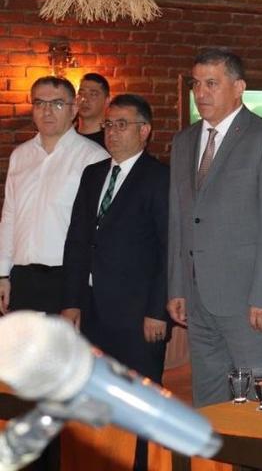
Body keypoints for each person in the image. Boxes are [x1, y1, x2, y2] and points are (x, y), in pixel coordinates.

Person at [167, 48, 262, 407]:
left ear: (239, 87)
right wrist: (177, 286)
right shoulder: (184, 142)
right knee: (210, 401)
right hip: (197, 298)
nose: (201, 92)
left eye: (212, 83)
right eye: (196, 84)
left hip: (249, 302)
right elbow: (179, 219)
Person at [62, 94, 168, 471]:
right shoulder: (93, 175)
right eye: (109, 124)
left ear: (145, 131)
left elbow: (168, 249)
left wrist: (158, 310)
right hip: (93, 310)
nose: (113, 132)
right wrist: (71, 302)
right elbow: (77, 240)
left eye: (122, 124)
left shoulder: (159, 178)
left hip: (138, 315)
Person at [0, 76, 109, 315]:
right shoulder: (20, 155)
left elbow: (100, 229)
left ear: (74, 109)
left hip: (68, 279)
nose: (47, 111)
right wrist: (2, 274)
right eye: (40, 103)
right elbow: (9, 217)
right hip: (22, 277)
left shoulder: (94, 157)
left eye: (57, 103)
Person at [77, 72, 110, 148]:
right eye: (81, 93)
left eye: (93, 94)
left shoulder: (110, 140)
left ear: (107, 101)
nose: (84, 99)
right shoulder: (66, 136)